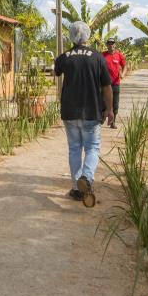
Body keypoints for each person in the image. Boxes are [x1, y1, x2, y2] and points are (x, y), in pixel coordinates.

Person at [54, 22, 113, 208]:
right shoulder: (97, 57)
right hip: (91, 111)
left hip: (69, 111)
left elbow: (57, 71)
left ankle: (77, 189)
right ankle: (86, 178)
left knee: (74, 149)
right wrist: (110, 109)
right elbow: (107, 87)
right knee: (92, 148)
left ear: (71, 36)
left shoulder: (64, 57)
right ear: (88, 35)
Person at [102, 37, 127, 129]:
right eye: (109, 43)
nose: (111, 45)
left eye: (112, 43)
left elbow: (125, 65)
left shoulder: (119, 55)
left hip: (115, 83)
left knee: (115, 104)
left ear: (115, 45)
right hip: (104, 84)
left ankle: (113, 122)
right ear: (106, 45)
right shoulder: (102, 55)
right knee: (103, 102)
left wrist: (123, 74)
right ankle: (102, 118)